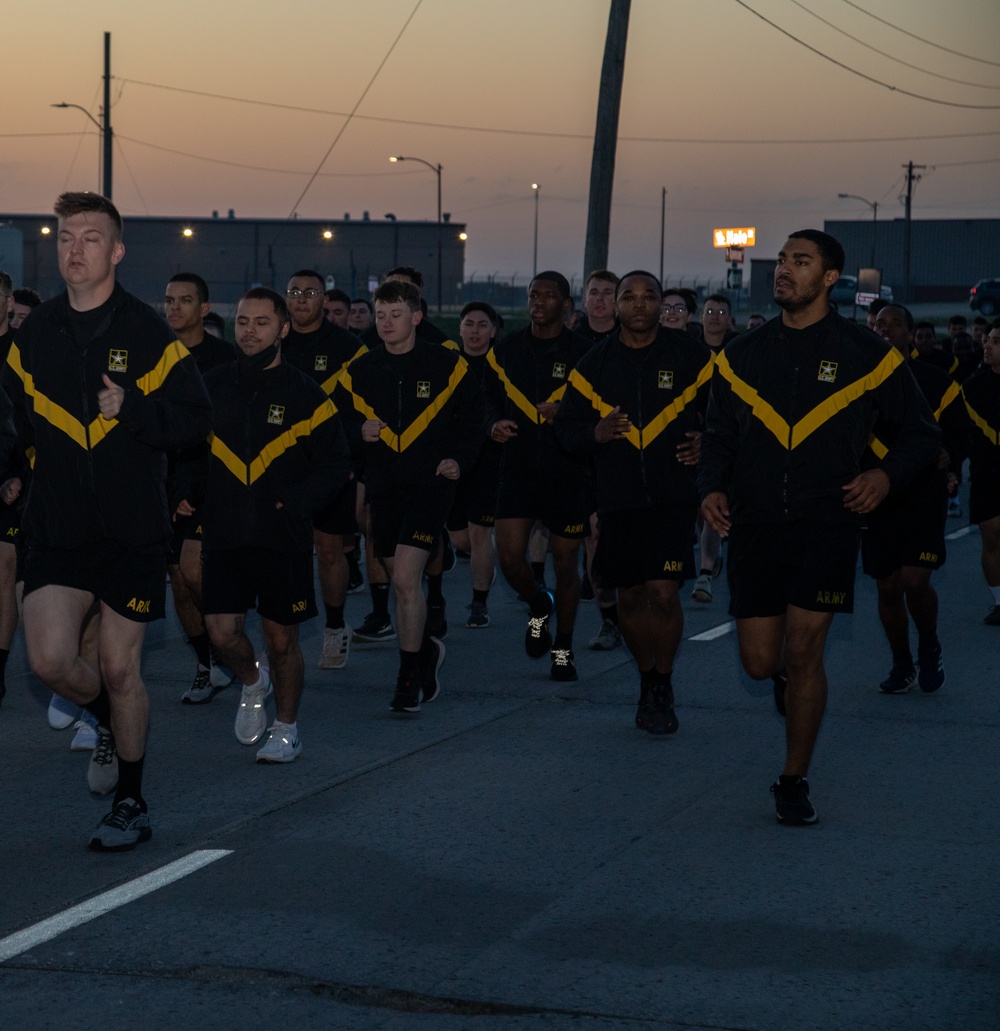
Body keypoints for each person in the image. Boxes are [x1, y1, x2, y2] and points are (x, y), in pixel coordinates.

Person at [699, 229, 939, 826]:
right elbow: (719, 437)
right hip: (755, 525)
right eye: (781, 261)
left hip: (827, 524)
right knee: (760, 662)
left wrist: (883, 477)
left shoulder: (868, 352)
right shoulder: (742, 355)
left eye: (800, 262)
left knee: (806, 650)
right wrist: (710, 486)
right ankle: (779, 675)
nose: (784, 270)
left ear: (830, 278)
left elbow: (922, 434)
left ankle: (792, 779)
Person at [3, 191, 211, 850]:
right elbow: (8, 417)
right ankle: (106, 720)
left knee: (123, 670)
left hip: (130, 530)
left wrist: (135, 414)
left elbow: (196, 422)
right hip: (57, 527)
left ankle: (131, 800)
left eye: (90, 237)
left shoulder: (150, 333)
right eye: (65, 236)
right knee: (50, 659)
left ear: (116, 251)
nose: (75, 248)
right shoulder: (33, 334)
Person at [556, 271, 712, 733]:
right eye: (630, 297)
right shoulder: (593, 363)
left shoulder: (691, 356)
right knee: (630, 596)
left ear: (662, 304)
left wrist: (707, 441)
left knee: (663, 592)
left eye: (650, 297)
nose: (640, 305)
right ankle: (646, 679)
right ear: (616, 306)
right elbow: (567, 430)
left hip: (672, 495)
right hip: (618, 498)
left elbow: (731, 415)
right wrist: (594, 433)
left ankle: (663, 683)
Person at [201, 288, 350, 761]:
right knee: (222, 633)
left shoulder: (307, 393)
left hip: (281, 536)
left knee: (281, 639)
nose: (249, 330)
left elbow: (336, 465)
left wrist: (296, 502)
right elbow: (185, 446)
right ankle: (251, 681)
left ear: (283, 329)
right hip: (224, 531)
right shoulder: (210, 384)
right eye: (243, 321)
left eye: (262, 322)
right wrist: (186, 494)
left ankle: (287, 729)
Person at [336, 280, 481, 712]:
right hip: (383, 487)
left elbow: (474, 420)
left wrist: (459, 459)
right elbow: (333, 428)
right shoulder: (359, 371)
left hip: (430, 486)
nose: (386, 323)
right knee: (394, 574)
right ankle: (426, 654)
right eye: (380, 315)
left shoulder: (448, 366)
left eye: (395, 314)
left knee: (403, 579)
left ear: (416, 317)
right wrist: (356, 434)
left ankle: (407, 675)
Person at [485, 271, 591, 681]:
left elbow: (598, 411)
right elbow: (486, 403)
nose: (539, 301)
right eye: (534, 294)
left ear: (565, 304)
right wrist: (493, 425)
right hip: (518, 468)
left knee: (566, 564)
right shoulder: (506, 350)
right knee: (510, 559)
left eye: (549, 295)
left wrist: (566, 413)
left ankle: (562, 649)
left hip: (567, 471)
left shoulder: (584, 354)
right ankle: (537, 603)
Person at [864, 305, 970, 693]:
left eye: (894, 324)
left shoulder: (937, 381)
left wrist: (950, 456)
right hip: (875, 495)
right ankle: (901, 662)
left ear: (910, 334)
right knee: (888, 586)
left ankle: (929, 645)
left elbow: (960, 432)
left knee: (914, 580)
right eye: (879, 324)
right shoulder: (859, 382)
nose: (885, 330)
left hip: (924, 490)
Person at [282, 269, 367, 669]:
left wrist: (348, 461)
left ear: (323, 298)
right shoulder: (273, 340)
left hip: (331, 464)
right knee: (281, 551)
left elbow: (361, 412)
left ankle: (335, 626)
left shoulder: (348, 348)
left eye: (310, 292)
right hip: (281, 464)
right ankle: (283, 633)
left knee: (330, 549)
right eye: (295, 292)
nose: (301, 299)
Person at [163, 272, 236, 704]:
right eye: (169, 300)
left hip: (213, 484)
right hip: (165, 484)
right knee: (177, 579)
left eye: (184, 300)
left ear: (203, 309)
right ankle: (208, 663)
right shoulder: (152, 356)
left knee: (194, 570)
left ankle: (228, 641)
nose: (174, 308)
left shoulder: (224, 360)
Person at [447, 301, 502, 627]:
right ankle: (482, 559)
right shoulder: (448, 364)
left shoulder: (501, 366)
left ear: (493, 331)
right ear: (460, 328)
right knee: (460, 537)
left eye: (483, 324)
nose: (476, 330)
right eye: (469, 323)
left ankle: (478, 602)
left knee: (480, 532)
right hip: (455, 459)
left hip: (490, 460)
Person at [961, 321, 1000, 625]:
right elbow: (960, 433)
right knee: (991, 537)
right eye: (987, 339)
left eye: (996, 341)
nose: (986, 345)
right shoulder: (973, 386)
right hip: (986, 475)